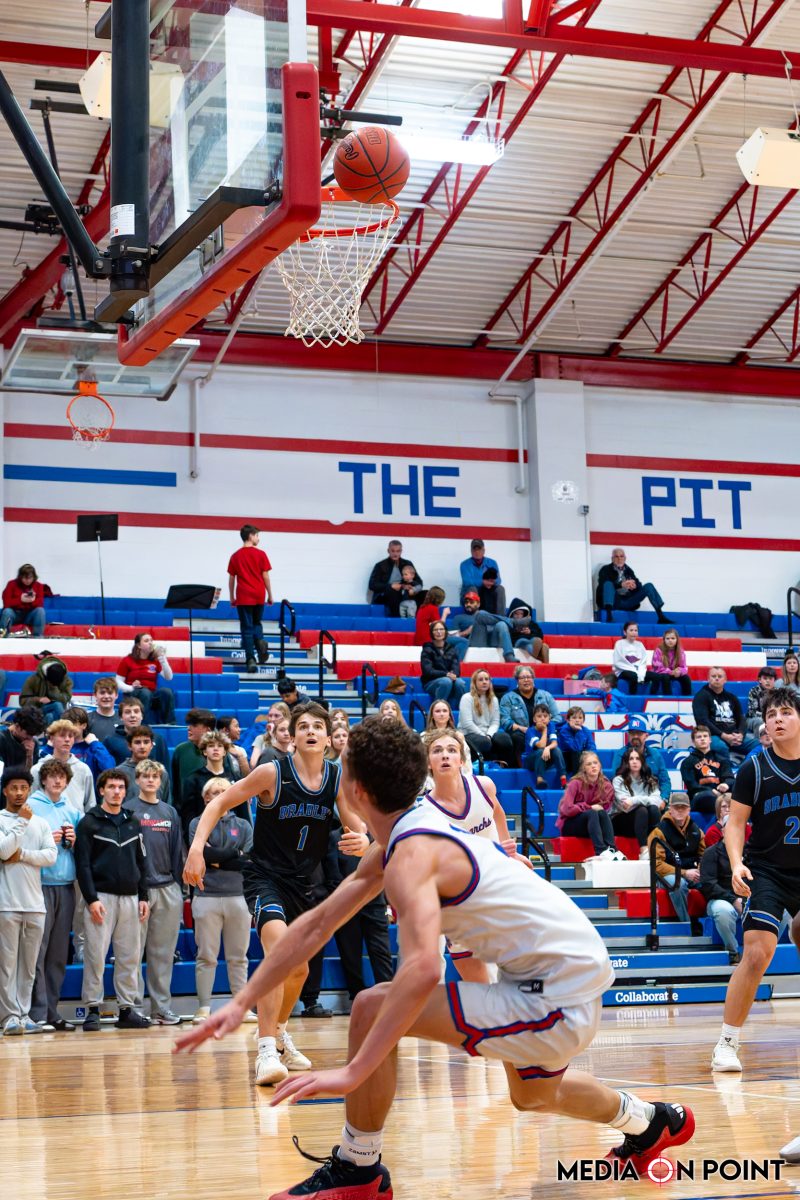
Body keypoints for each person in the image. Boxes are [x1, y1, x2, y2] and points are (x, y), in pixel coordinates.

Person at [177, 717, 695, 1192]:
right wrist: (240, 1002)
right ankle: (651, 1123)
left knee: (371, 1006)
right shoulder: (406, 830)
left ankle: (359, 1169)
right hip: (558, 969)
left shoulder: (412, 853)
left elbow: (424, 969)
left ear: (356, 790)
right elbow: (316, 924)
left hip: (557, 990)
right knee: (533, 1094)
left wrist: (353, 1072)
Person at [183, 702, 368, 1087]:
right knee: (280, 956)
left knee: (300, 970)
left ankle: (280, 1033)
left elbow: (358, 827)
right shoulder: (272, 771)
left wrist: (363, 841)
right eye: (304, 726)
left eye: (318, 726)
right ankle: (265, 1049)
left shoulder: (336, 778)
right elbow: (219, 803)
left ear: (328, 737)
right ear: (292, 736)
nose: (311, 731)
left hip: (304, 884)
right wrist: (197, 848)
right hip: (264, 877)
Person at [710, 686, 800, 1073]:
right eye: (770, 715)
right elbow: (735, 824)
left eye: (785, 712)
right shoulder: (754, 768)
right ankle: (727, 1042)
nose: (777, 719)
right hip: (767, 870)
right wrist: (735, 864)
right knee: (758, 952)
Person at [423, 729, 527, 983]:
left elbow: (497, 812)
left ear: (461, 759)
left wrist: (509, 849)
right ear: (427, 763)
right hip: (457, 894)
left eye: (451, 750)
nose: (445, 755)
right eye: (437, 750)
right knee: (475, 979)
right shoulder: (425, 811)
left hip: (493, 881)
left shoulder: (484, 785)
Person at [74, 768, 151, 1031]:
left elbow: (141, 862)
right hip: (101, 899)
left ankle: (126, 1010)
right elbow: (83, 865)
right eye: (111, 787)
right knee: (95, 956)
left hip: (131, 898)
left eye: (120, 787)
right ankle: (92, 1009)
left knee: (129, 957)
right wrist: (91, 899)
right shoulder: (89, 822)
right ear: (101, 790)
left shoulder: (133, 821)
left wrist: (143, 896)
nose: (116, 792)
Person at [188, 776, 256, 1024]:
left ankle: (241, 1007)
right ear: (206, 797)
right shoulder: (197, 823)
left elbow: (247, 861)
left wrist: (218, 858)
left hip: (239, 896)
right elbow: (202, 856)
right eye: (214, 792)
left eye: (224, 791)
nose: (219, 796)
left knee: (239, 957)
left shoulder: (244, 825)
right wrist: (232, 854)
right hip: (206, 895)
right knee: (206, 956)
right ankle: (203, 1007)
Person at [126, 759, 185, 1025]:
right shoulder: (129, 810)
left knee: (163, 954)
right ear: (137, 780)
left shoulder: (169, 812)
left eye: (155, 777)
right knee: (133, 952)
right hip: (138, 891)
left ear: (160, 781)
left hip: (167, 888)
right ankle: (134, 1008)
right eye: (145, 776)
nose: (150, 780)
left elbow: (176, 850)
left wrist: (177, 886)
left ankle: (161, 1008)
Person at [0, 766, 57, 1034]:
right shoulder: (2, 819)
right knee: (7, 966)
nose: (20, 793)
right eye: (14, 788)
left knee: (29, 966)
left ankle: (24, 1015)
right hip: (6, 904)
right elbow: (3, 851)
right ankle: (8, 1017)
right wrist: (21, 822)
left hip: (35, 904)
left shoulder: (41, 823)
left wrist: (22, 855)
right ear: (5, 791)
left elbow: (51, 856)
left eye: (24, 788)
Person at [28, 759, 83, 1031]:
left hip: (66, 886)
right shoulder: (30, 807)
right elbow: (22, 845)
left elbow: (83, 851)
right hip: (38, 885)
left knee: (58, 954)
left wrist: (74, 841)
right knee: (37, 952)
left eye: (62, 777)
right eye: (53, 776)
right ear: (44, 780)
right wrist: (47, 838)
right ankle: (36, 1012)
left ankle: (52, 1011)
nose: (58, 781)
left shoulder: (72, 812)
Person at [648, 792, 705, 927]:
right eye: (676, 807)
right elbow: (657, 864)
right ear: (670, 809)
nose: (680, 810)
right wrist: (684, 873)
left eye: (683, 807)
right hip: (666, 875)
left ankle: (706, 922)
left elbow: (703, 856)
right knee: (678, 884)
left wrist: (700, 870)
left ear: (689, 810)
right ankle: (686, 925)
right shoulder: (658, 832)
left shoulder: (697, 831)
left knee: (711, 882)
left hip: (692, 872)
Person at [181, 730, 251, 836]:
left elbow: (243, 811)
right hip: (203, 833)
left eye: (220, 746)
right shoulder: (193, 779)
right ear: (205, 751)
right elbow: (188, 814)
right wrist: (192, 837)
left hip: (232, 835)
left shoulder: (235, 778)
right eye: (211, 745)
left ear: (225, 752)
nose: (215, 749)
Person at [557, 752, 622, 861]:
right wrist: (588, 807)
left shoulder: (606, 785)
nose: (593, 766)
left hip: (592, 825)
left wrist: (592, 808)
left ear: (600, 765)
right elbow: (566, 809)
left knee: (601, 813)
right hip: (570, 824)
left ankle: (612, 849)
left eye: (595, 763)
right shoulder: (575, 783)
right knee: (592, 813)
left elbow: (604, 807)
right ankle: (601, 851)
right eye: (589, 764)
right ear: (583, 768)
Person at [228, 523, 273, 673]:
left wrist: (232, 596)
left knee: (247, 628)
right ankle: (259, 641)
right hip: (259, 594)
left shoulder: (235, 556)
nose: (259, 539)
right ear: (250, 536)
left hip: (244, 595)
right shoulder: (261, 554)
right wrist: (270, 594)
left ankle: (251, 660)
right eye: (257, 535)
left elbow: (232, 579)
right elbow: (266, 576)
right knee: (257, 623)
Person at [692, 667, 758, 760]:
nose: (717, 678)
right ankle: (725, 769)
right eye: (713, 676)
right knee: (720, 747)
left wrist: (741, 734)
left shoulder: (731, 697)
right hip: (713, 735)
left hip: (734, 735)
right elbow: (702, 721)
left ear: (725, 680)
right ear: (708, 679)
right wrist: (724, 736)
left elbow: (741, 718)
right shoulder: (701, 696)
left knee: (759, 745)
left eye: (720, 676)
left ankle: (744, 768)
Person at [31, 719, 94, 813]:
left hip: (77, 821)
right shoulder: (37, 769)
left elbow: (90, 804)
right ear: (51, 739)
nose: (67, 739)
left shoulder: (83, 769)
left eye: (70, 736)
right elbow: (31, 803)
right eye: (62, 735)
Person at [500, 665, 560, 762]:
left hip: (544, 732)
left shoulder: (546, 696)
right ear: (517, 680)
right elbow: (505, 721)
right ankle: (520, 765)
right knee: (516, 737)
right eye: (522, 678)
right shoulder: (507, 698)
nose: (526, 680)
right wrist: (525, 729)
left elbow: (557, 717)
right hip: (522, 734)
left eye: (529, 677)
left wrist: (545, 727)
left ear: (533, 679)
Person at [611, 748, 662, 860]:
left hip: (642, 823)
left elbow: (657, 801)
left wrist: (634, 800)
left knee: (653, 809)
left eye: (638, 758)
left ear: (642, 761)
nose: (635, 761)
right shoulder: (618, 780)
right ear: (626, 762)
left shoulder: (650, 780)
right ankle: (644, 850)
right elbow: (625, 805)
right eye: (631, 759)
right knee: (642, 810)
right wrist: (645, 800)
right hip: (622, 821)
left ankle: (656, 846)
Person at [595, 548, 669, 623]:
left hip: (628, 601)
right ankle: (609, 617)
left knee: (649, 586)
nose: (619, 559)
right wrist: (621, 584)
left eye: (621, 556)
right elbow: (602, 584)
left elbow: (638, 585)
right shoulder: (605, 569)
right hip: (615, 602)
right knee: (608, 584)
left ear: (625, 558)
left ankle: (661, 616)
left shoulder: (629, 570)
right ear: (612, 558)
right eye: (616, 556)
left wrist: (635, 586)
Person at [115, 632, 176, 724]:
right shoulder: (127, 660)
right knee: (145, 693)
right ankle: (143, 724)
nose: (150, 643)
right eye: (146, 641)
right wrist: (131, 687)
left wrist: (162, 658)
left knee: (166, 692)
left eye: (151, 640)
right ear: (139, 645)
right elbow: (118, 682)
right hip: (133, 694)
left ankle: (169, 724)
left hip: (151, 694)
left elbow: (169, 677)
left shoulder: (154, 660)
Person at [458, 669, 514, 765]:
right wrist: (483, 735)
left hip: (487, 733)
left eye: (486, 679)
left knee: (505, 739)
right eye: (480, 680)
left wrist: (489, 735)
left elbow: (495, 722)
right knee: (484, 742)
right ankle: (482, 765)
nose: (484, 682)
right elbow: (467, 723)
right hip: (469, 733)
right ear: (474, 683)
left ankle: (502, 766)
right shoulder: (466, 698)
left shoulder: (494, 699)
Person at [699, 839, 743, 963]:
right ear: (723, 831)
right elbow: (708, 884)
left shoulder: (749, 851)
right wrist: (734, 900)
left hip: (746, 897)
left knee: (782, 910)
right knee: (723, 911)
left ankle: (766, 951)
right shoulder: (710, 853)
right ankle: (733, 952)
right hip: (719, 899)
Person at [610, 718, 671, 805]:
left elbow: (665, 780)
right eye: (632, 733)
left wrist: (663, 800)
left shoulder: (655, 754)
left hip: (652, 799)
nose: (635, 736)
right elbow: (616, 780)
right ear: (628, 735)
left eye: (639, 733)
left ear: (646, 735)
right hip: (629, 801)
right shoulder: (620, 754)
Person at [679, 725, 735, 816]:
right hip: (700, 796)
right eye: (699, 737)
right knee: (708, 797)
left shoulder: (721, 759)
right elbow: (692, 786)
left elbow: (729, 777)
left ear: (710, 739)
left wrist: (726, 784)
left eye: (705, 736)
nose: (702, 739)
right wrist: (712, 791)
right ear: (693, 741)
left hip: (721, 795)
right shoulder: (687, 762)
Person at [447, 591, 517, 662]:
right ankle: (513, 621)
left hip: (491, 641)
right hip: (475, 642)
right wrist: (466, 632)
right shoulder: (458, 618)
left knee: (501, 624)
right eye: (466, 602)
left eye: (471, 602)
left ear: (478, 604)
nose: (468, 604)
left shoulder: (485, 615)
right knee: (481, 614)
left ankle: (509, 655)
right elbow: (451, 638)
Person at [104, 695, 170, 770]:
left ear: (142, 716)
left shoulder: (158, 739)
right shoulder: (110, 740)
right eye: (127, 712)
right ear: (121, 717)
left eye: (136, 711)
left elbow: (165, 770)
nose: (132, 715)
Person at [116, 724, 173, 805]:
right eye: (137, 742)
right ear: (129, 746)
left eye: (146, 742)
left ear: (152, 745)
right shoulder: (119, 773)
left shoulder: (161, 772)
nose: (142, 746)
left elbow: (167, 804)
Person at [170, 708, 217, 799]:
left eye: (194, 725)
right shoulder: (181, 750)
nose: (188, 728)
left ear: (208, 730)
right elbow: (175, 786)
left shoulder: (220, 751)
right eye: (189, 724)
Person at [368, 540, 422, 617]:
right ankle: (398, 618)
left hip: (405, 592)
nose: (395, 554)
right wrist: (390, 586)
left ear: (401, 551)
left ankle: (418, 619)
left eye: (398, 551)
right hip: (386, 594)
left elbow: (419, 581)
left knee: (425, 593)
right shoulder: (380, 565)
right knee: (393, 591)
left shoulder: (407, 563)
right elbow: (372, 585)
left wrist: (413, 589)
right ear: (388, 551)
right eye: (393, 551)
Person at [62, 706, 115, 782]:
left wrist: (95, 744)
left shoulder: (93, 747)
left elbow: (109, 768)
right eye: (67, 725)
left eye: (73, 724)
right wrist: (49, 747)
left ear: (84, 725)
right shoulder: (61, 746)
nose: (70, 728)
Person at [420, 620, 467, 706]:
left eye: (441, 629)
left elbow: (456, 669)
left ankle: (461, 709)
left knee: (460, 683)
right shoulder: (427, 650)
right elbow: (428, 671)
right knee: (446, 681)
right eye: (436, 630)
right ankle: (437, 708)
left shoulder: (451, 649)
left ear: (445, 632)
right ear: (431, 632)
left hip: (448, 679)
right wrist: (446, 674)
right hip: (431, 682)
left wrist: (453, 674)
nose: (439, 632)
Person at [523, 703, 567, 787]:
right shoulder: (530, 731)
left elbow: (554, 743)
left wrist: (548, 748)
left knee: (557, 750)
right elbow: (541, 745)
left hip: (545, 759)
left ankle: (563, 780)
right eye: (539, 716)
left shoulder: (551, 725)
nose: (543, 718)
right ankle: (540, 780)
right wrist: (544, 730)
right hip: (531, 762)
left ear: (549, 718)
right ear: (534, 719)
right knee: (540, 751)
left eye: (545, 716)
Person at [20, 652, 73, 721]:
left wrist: (54, 691)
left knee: (50, 715)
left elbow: (67, 698)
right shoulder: (33, 679)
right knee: (56, 706)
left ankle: (60, 725)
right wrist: (39, 699)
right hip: (37, 711)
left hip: (56, 712)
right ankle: (65, 724)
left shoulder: (66, 680)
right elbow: (23, 701)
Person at [612, 622, 660, 696]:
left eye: (636, 630)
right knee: (633, 676)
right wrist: (633, 669)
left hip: (638, 670)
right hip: (623, 670)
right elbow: (618, 661)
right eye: (631, 630)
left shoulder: (640, 644)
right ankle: (633, 698)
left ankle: (651, 697)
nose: (634, 632)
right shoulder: (619, 643)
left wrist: (639, 670)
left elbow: (643, 661)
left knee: (656, 677)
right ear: (625, 632)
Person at [1, 563, 48, 637]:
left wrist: (32, 601)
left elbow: (40, 604)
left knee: (40, 611)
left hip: (30, 614)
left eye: (30, 578)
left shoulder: (38, 586)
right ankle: (2, 636)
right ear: (20, 577)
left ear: (34, 577)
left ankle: (38, 637)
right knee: (7, 611)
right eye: (25, 578)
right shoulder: (11, 584)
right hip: (15, 614)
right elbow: (6, 603)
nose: (28, 580)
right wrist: (20, 600)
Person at [0, 706, 46, 770]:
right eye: (28, 734)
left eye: (33, 735)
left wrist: (29, 757)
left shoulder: (34, 743)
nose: (30, 738)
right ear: (17, 726)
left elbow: (31, 773)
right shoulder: (2, 738)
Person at [506, 598, 549, 663]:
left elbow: (540, 635)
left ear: (524, 614)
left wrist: (530, 632)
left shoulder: (531, 623)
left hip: (531, 640)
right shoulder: (509, 623)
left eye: (521, 614)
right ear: (512, 614)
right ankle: (540, 653)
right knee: (522, 641)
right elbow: (507, 637)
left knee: (536, 640)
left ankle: (536, 651)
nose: (519, 616)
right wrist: (516, 631)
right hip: (517, 642)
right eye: (516, 614)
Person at [651, 628, 692, 697]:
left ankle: (687, 699)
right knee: (665, 677)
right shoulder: (659, 650)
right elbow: (657, 667)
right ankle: (668, 698)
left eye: (673, 638)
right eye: (667, 638)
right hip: (663, 673)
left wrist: (679, 671)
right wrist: (671, 672)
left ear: (677, 640)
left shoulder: (680, 651)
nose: (670, 640)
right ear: (664, 640)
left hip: (675, 674)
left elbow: (684, 667)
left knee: (686, 678)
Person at [557, 706, 597, 776]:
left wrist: (587, 755)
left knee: (591, 756)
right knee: (576, 752)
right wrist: (579, 731)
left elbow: (592, 747)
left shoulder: (586, 730)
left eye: (580, 718)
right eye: (574, 718)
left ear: (583, 720)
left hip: (580, 758)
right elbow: (575, 748)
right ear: (568, 720)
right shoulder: (564, 730)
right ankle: (577, 778)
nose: (577, 720)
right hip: (566, 760)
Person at [250, 703, 291, 768]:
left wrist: (274, 736)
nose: (272, 719)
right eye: (270, 715)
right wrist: (273, 736)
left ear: (286, 718)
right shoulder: (261, 738)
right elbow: (253, 764)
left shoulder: (292, 739)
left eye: (276, 716)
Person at [87, 677, 121, 741]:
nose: (106, 696)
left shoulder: (123, 719)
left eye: (110, 693)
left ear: (116, 695)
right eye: (102, 693)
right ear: (95, 695)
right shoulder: (87, 719)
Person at [746, 667, 777, 735]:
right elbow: (752, 712)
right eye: (765, 678)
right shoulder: (754, 691)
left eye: (770, 679)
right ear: (760, 680)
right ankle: (760, 741)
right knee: (760, 721)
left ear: (774, 680)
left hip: (772, 717)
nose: (768, 681)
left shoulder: (777, 692)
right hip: (753, 719)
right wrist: (768, 717)